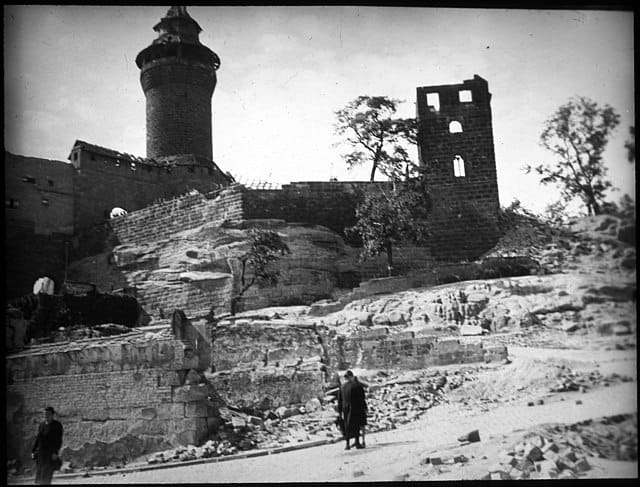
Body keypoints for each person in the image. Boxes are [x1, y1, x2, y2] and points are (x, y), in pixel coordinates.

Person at [31, 406, 63, 485]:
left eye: (48, 414)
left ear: (52, 415)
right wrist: (33, 450)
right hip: (41, 454)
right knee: (39, 477)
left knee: (47, 477)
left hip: (50, 454)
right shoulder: (41, 425)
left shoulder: (57, 425)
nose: (46, 416)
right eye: (44, 414)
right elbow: (38, 438)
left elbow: (59, 440)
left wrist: (55, 452)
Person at [337, 370, 367, 450]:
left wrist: (339, 412)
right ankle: (357, 442)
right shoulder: (357, 386)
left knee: (347, 425)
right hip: (356, 407)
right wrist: (365, 408)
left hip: (345, 408)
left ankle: (347, 444)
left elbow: (339, 400)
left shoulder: (342, 387)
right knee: (356, 425)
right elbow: (362, 398)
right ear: (351, 376)